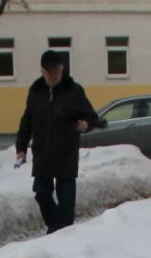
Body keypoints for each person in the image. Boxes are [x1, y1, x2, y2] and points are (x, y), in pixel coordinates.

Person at [15, 49, 99, 233]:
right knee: (41, 193)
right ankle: (57, 228)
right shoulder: (36, 91)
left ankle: (64, 234)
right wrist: (21, 148)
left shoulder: (73, 90)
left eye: (57, 71)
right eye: (50, 72)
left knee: (67, 199)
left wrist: (86, 124)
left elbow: (92, 115)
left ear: (62, 69)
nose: (54, 75)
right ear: (42, 71)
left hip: (66, 154)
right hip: (43, 154)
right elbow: (26, 122)